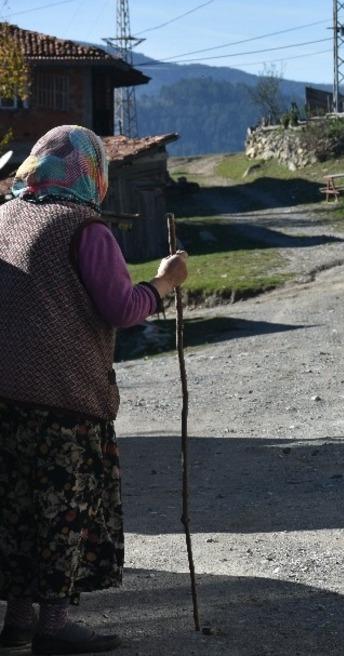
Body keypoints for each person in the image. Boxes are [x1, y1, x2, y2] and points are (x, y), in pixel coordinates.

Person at [0, 125, 188, 655]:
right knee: (63, 511)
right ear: (91, 173)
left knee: (18, 510)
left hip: (6, 398)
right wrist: (165, 282)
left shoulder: (2, 217)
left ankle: (16, 624)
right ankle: (54, 626)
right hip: (65, 400)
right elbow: (123, 309)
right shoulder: (85, 229)